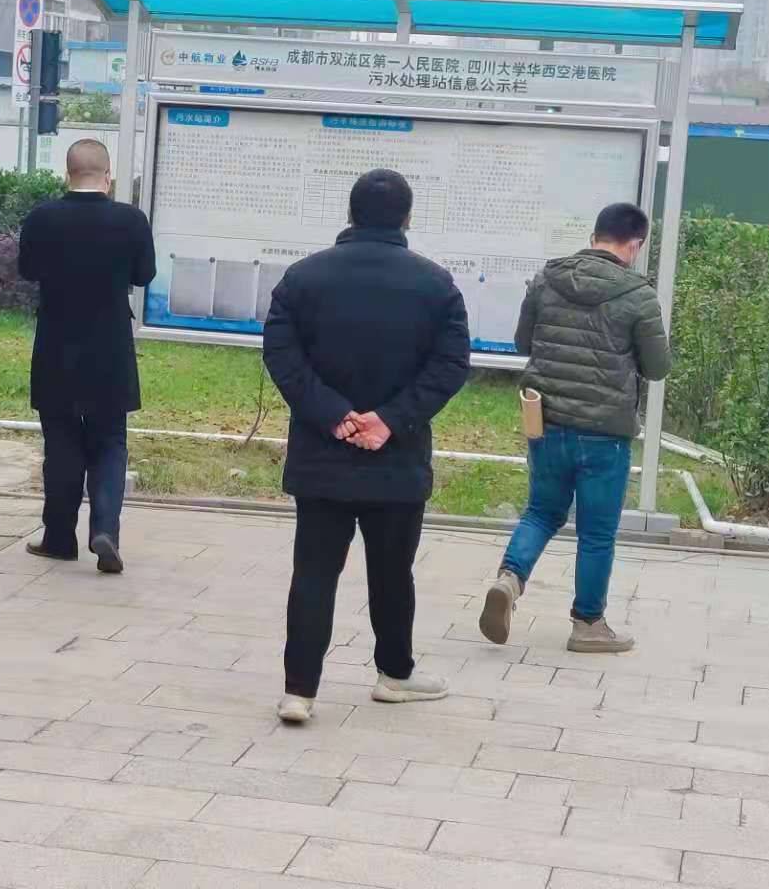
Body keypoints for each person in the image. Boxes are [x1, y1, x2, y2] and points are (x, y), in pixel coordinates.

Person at [263, 168, 470, 723]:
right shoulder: (436, 285)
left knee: (313, 572)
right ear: (408, 217)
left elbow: (281, 355)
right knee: (393, 571)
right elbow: (451, 365)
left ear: (350, 214)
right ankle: (394, 675)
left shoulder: (303, 278)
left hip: (322, 453)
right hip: (396, 456)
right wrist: (391, 420)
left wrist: (333, 415)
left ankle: (299, 691)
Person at [480, 201, 670, 654]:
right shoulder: (638, 294)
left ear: (594, 237)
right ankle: (587, 624)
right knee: (597, 532)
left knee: (542, 512)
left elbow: (523, 342)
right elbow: (658, 367)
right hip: (605, 433)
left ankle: (510, 579)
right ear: (635, 245)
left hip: (548, 423)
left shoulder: (548, 279)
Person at [18, 139, 156, 574]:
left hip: (56, 347)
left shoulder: (42, 218)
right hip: (110, 350)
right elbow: (144, 274)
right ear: (107, 176)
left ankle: (59, 538)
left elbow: (27, 270)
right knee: (110, 441)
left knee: (60, 443)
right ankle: (105, 530)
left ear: (67, 174)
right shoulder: (131, 221)